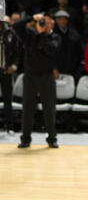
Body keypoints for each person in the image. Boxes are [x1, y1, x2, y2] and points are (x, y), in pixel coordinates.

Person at [14, 13, 61, 148]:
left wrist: (41, 34)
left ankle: (52, 138)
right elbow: (16, 26)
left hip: (46, 77)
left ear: (52, 24)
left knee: (49, 109)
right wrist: (31, 18)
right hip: (30, 77)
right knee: (28, 108)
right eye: (42, 22)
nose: (43, 24)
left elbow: (50, 50)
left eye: (46, 22)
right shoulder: (30, 34)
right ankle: (25, 138)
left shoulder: (55, 37)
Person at [0, 19, 18, 135]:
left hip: (6, 69)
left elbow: (17, 51)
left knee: (7, 98)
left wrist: (14, 66)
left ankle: (9, 125)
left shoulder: (9, 32)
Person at [53, 10, 82, 80]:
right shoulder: (52, 34)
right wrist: (53, 68)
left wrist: (77, 69)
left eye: (64, 19)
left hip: (72, 70)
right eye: (60, 19)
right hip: (56, 69)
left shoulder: (74, 34)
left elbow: (79, 53)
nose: (62, 21)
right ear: (56, 20)